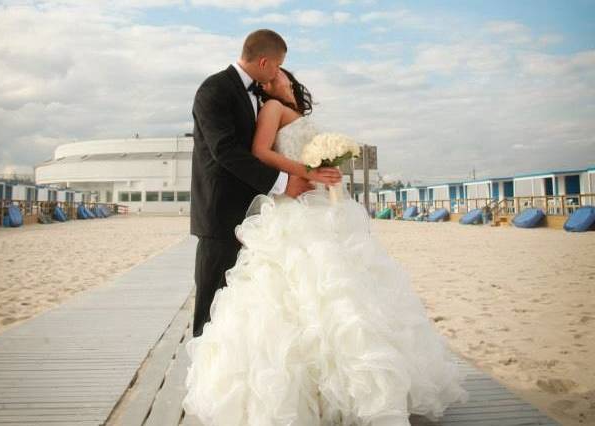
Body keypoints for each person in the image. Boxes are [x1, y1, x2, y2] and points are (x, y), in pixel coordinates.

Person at [184, 63, 468, 425]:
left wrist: (326, 172)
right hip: (299, 206)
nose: (272, 83)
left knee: (350, 289)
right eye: (267, 80)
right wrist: (306, 172)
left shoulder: (292, 111)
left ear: (290, 78)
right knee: (310, 289)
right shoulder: (271, 107)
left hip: (322, 204)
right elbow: (260, 152)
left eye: (277, 77)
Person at [189, 29, 343, 338]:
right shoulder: (215, 89)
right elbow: (225, 151)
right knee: (211, 305)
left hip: (257, 214)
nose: (278, 73)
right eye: (277, 65)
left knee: (243, 306)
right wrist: (285, 182)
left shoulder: (259, 96)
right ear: (264, 61)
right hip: (222, 214)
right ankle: (203, 381)